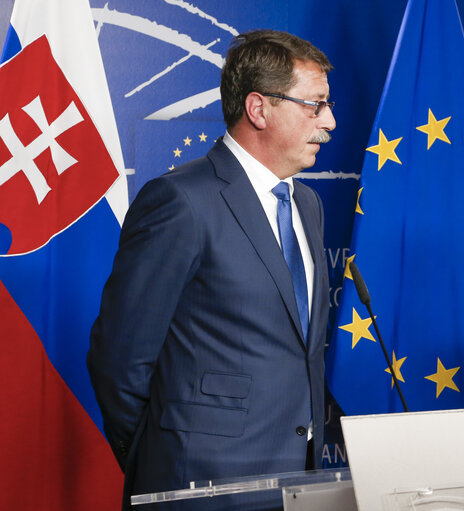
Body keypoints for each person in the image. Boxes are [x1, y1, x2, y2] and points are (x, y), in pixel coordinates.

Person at [88, 30, 335, 508]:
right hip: (198, 486)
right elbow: (118, 358)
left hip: (299, 484)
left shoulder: (307, 205)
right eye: (314, 105)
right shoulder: (181, 201)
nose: (329, 121)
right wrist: (155, 460)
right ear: (259, 109)